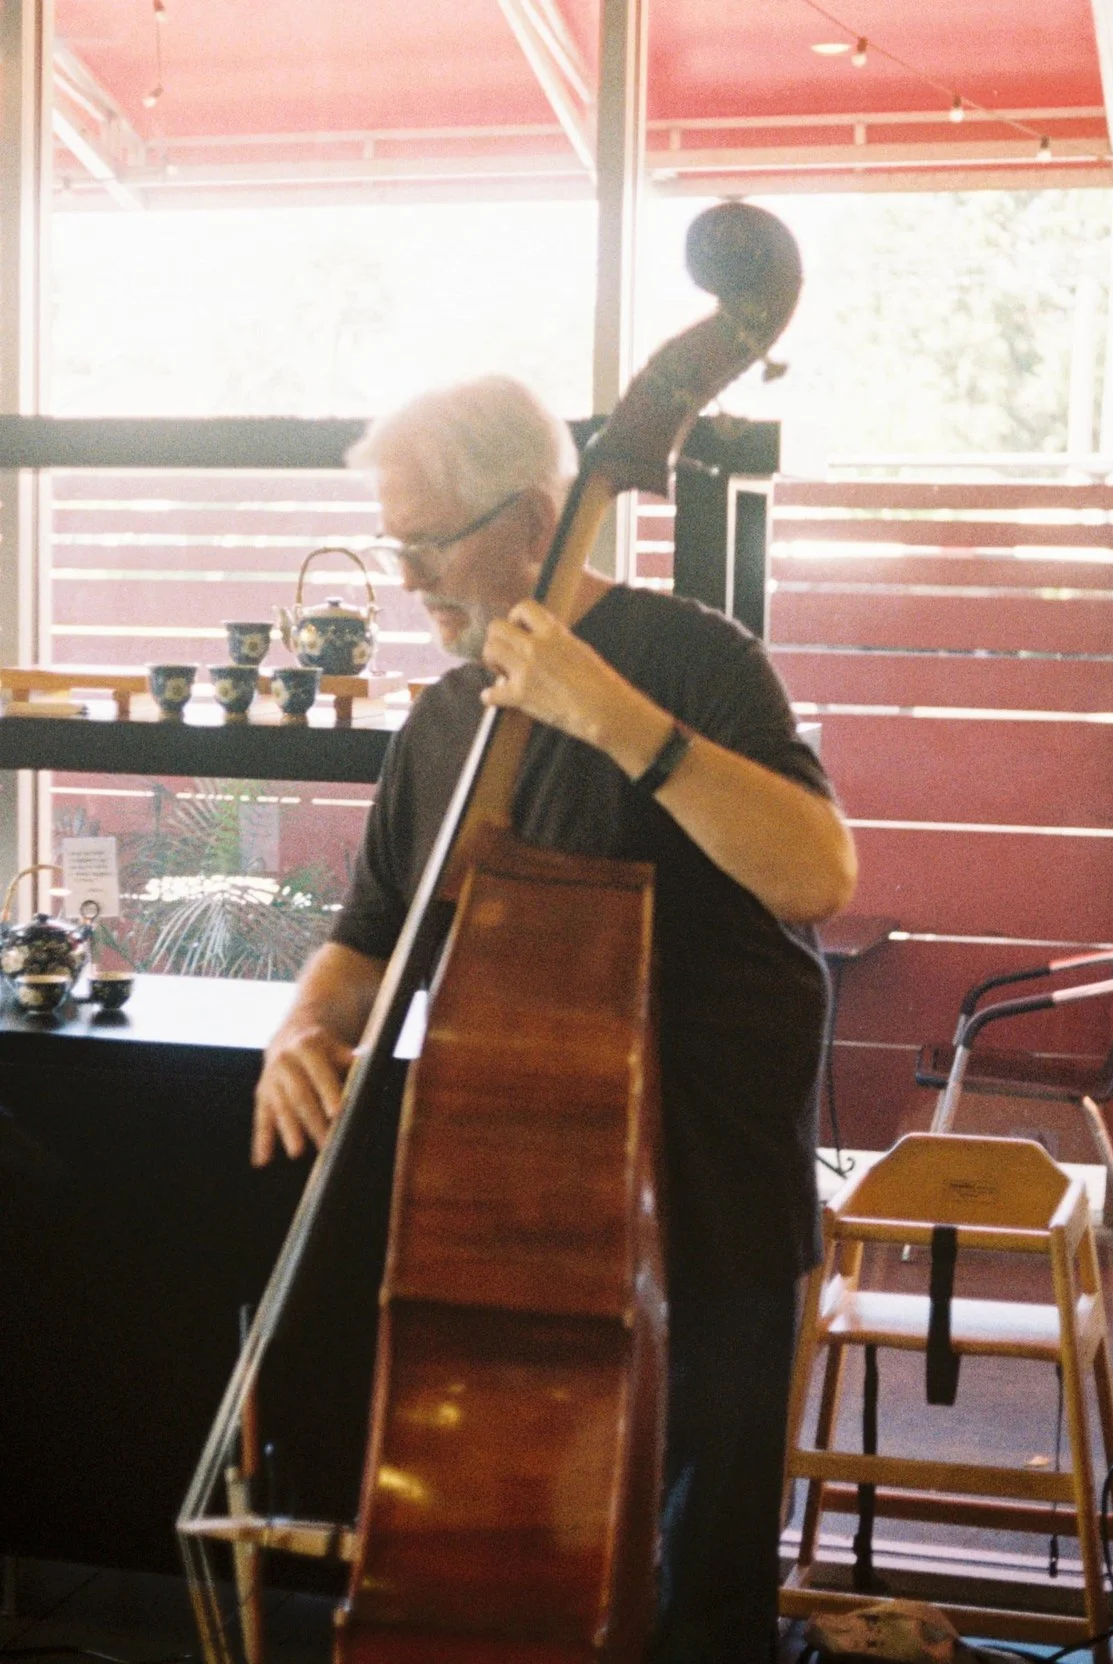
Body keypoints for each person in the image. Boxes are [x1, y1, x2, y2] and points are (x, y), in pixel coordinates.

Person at [248, 375, 857, 1663]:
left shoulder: (694, 658)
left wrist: (611, 717)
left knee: (700, 1599)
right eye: (394, 547)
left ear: (532, 518)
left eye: (427, 543)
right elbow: (369, 937)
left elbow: (816, 873)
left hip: (710, 1203)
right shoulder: (442, 721)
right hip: (525, 1222)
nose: (407, 579)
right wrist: (301, 1027)